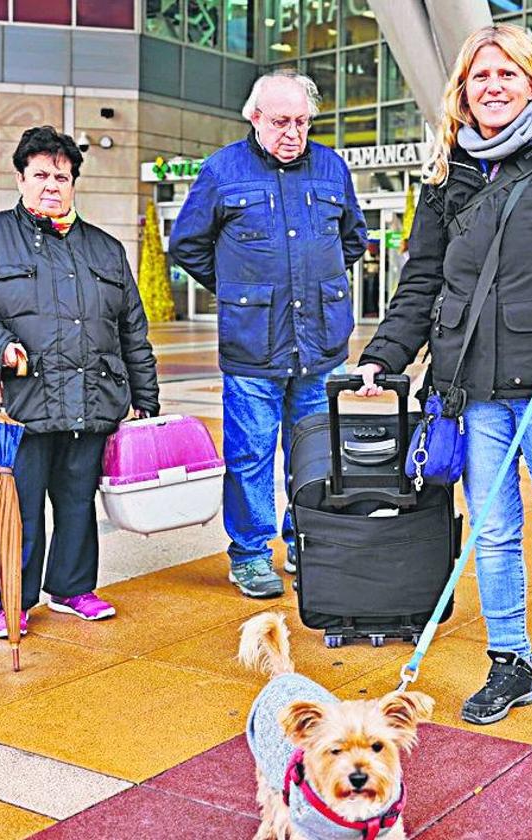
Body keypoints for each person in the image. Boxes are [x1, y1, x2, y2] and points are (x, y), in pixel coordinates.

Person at [352, 24, 532, 762]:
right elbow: (422, 280)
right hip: (470, 389)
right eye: (479, 76)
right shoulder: (447, 174)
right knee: (494, 536)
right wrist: (385, 356)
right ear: (462, 89)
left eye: (507, 75)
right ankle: (510, 664)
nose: (492, 86)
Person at [0, 126, 160, 635]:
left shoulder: (104, 249)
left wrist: (145, 398)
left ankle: (73, 588)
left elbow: (133, 331)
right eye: (40, 174)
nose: (51, 184)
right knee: (21, 510)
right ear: (21, 178)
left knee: (78, 504)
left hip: (92, 401)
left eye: (62, 175)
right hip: (19, 405)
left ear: (74, 182)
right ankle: (13, 598)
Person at [168, 71, 367, 599]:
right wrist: (238, 288)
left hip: (321, 344)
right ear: (254, 117)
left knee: (316, 453)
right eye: (281, 121)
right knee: (251, 454)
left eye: (302, 122)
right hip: (253, 345)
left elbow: (354, 239)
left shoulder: (331, 167)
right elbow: (187, 245)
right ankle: (252, 554)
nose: (292, 132)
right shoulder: (221, 171)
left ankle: (308, 541)